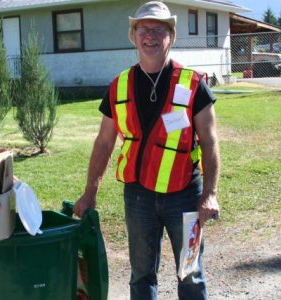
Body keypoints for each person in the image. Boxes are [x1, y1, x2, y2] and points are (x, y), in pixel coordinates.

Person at [73, 2, 220, 299]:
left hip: (186, 196)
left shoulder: (193, 85)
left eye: (159, 29)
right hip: (138, 197)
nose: (150, 35)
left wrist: (210, 193)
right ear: (133, 35)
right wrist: (90, 192)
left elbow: (210, 141)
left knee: (190, 273)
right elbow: (104, 142)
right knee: (141, 275)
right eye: (143, 28)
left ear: (171, 36)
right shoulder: (119, 86)